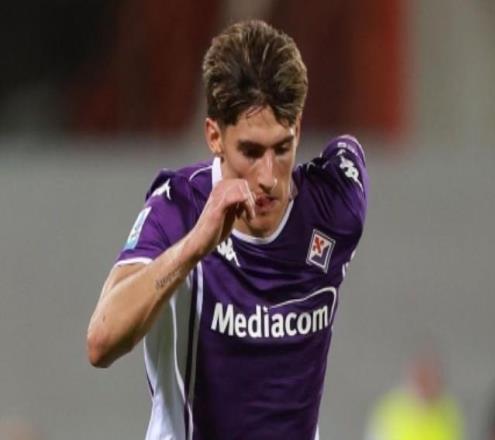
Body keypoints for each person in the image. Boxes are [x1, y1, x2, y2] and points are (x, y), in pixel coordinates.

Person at [87, 19, 368, 440]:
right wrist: (193, 248)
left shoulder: (335, 206)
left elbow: (349, 152)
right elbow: (101, 341)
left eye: (282, 148)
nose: (268, 177)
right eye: (251, 152)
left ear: (298, 128)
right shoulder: (178, 208)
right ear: (214, 136)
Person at [364, 350, 464, 440]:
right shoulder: (390, 410)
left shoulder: (449, 411)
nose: (428, 386)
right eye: (423, 379)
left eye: (433, 379)